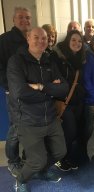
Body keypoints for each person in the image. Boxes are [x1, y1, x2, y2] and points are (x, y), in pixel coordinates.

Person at [7, 27, 68, 192]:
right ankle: (21, 179)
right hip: (28, 120)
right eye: (36, 37)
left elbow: (64, 89)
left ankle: (42, 172)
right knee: (37, 161)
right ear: (28, 38)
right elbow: (20, 92)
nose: (41, 41)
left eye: (44, 38)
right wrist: (50, 92)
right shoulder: (16, 61)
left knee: (60, 152)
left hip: (51, 117)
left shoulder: (49, 60)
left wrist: (40, 87)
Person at [0, 6, 31, 177]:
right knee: (16, 128)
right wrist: (9, 86)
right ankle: (13, 161)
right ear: (13, 20)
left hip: (30, 92)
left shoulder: (30, 39)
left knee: (29, 126)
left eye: (27, 17)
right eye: (21, 17)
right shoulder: (3, 40)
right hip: (13, 93)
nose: (25, 20)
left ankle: (28, 158)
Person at [51, 30, 86, 171]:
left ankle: (67, 157)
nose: (76, 43)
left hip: (77, 101)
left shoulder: (81, 58)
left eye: (79, 41)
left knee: (73, 131)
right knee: (69, 130)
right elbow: (56, 78)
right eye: (73, 40)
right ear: (67, 40)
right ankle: (60, 158)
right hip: (63, 101)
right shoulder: (57, 57)